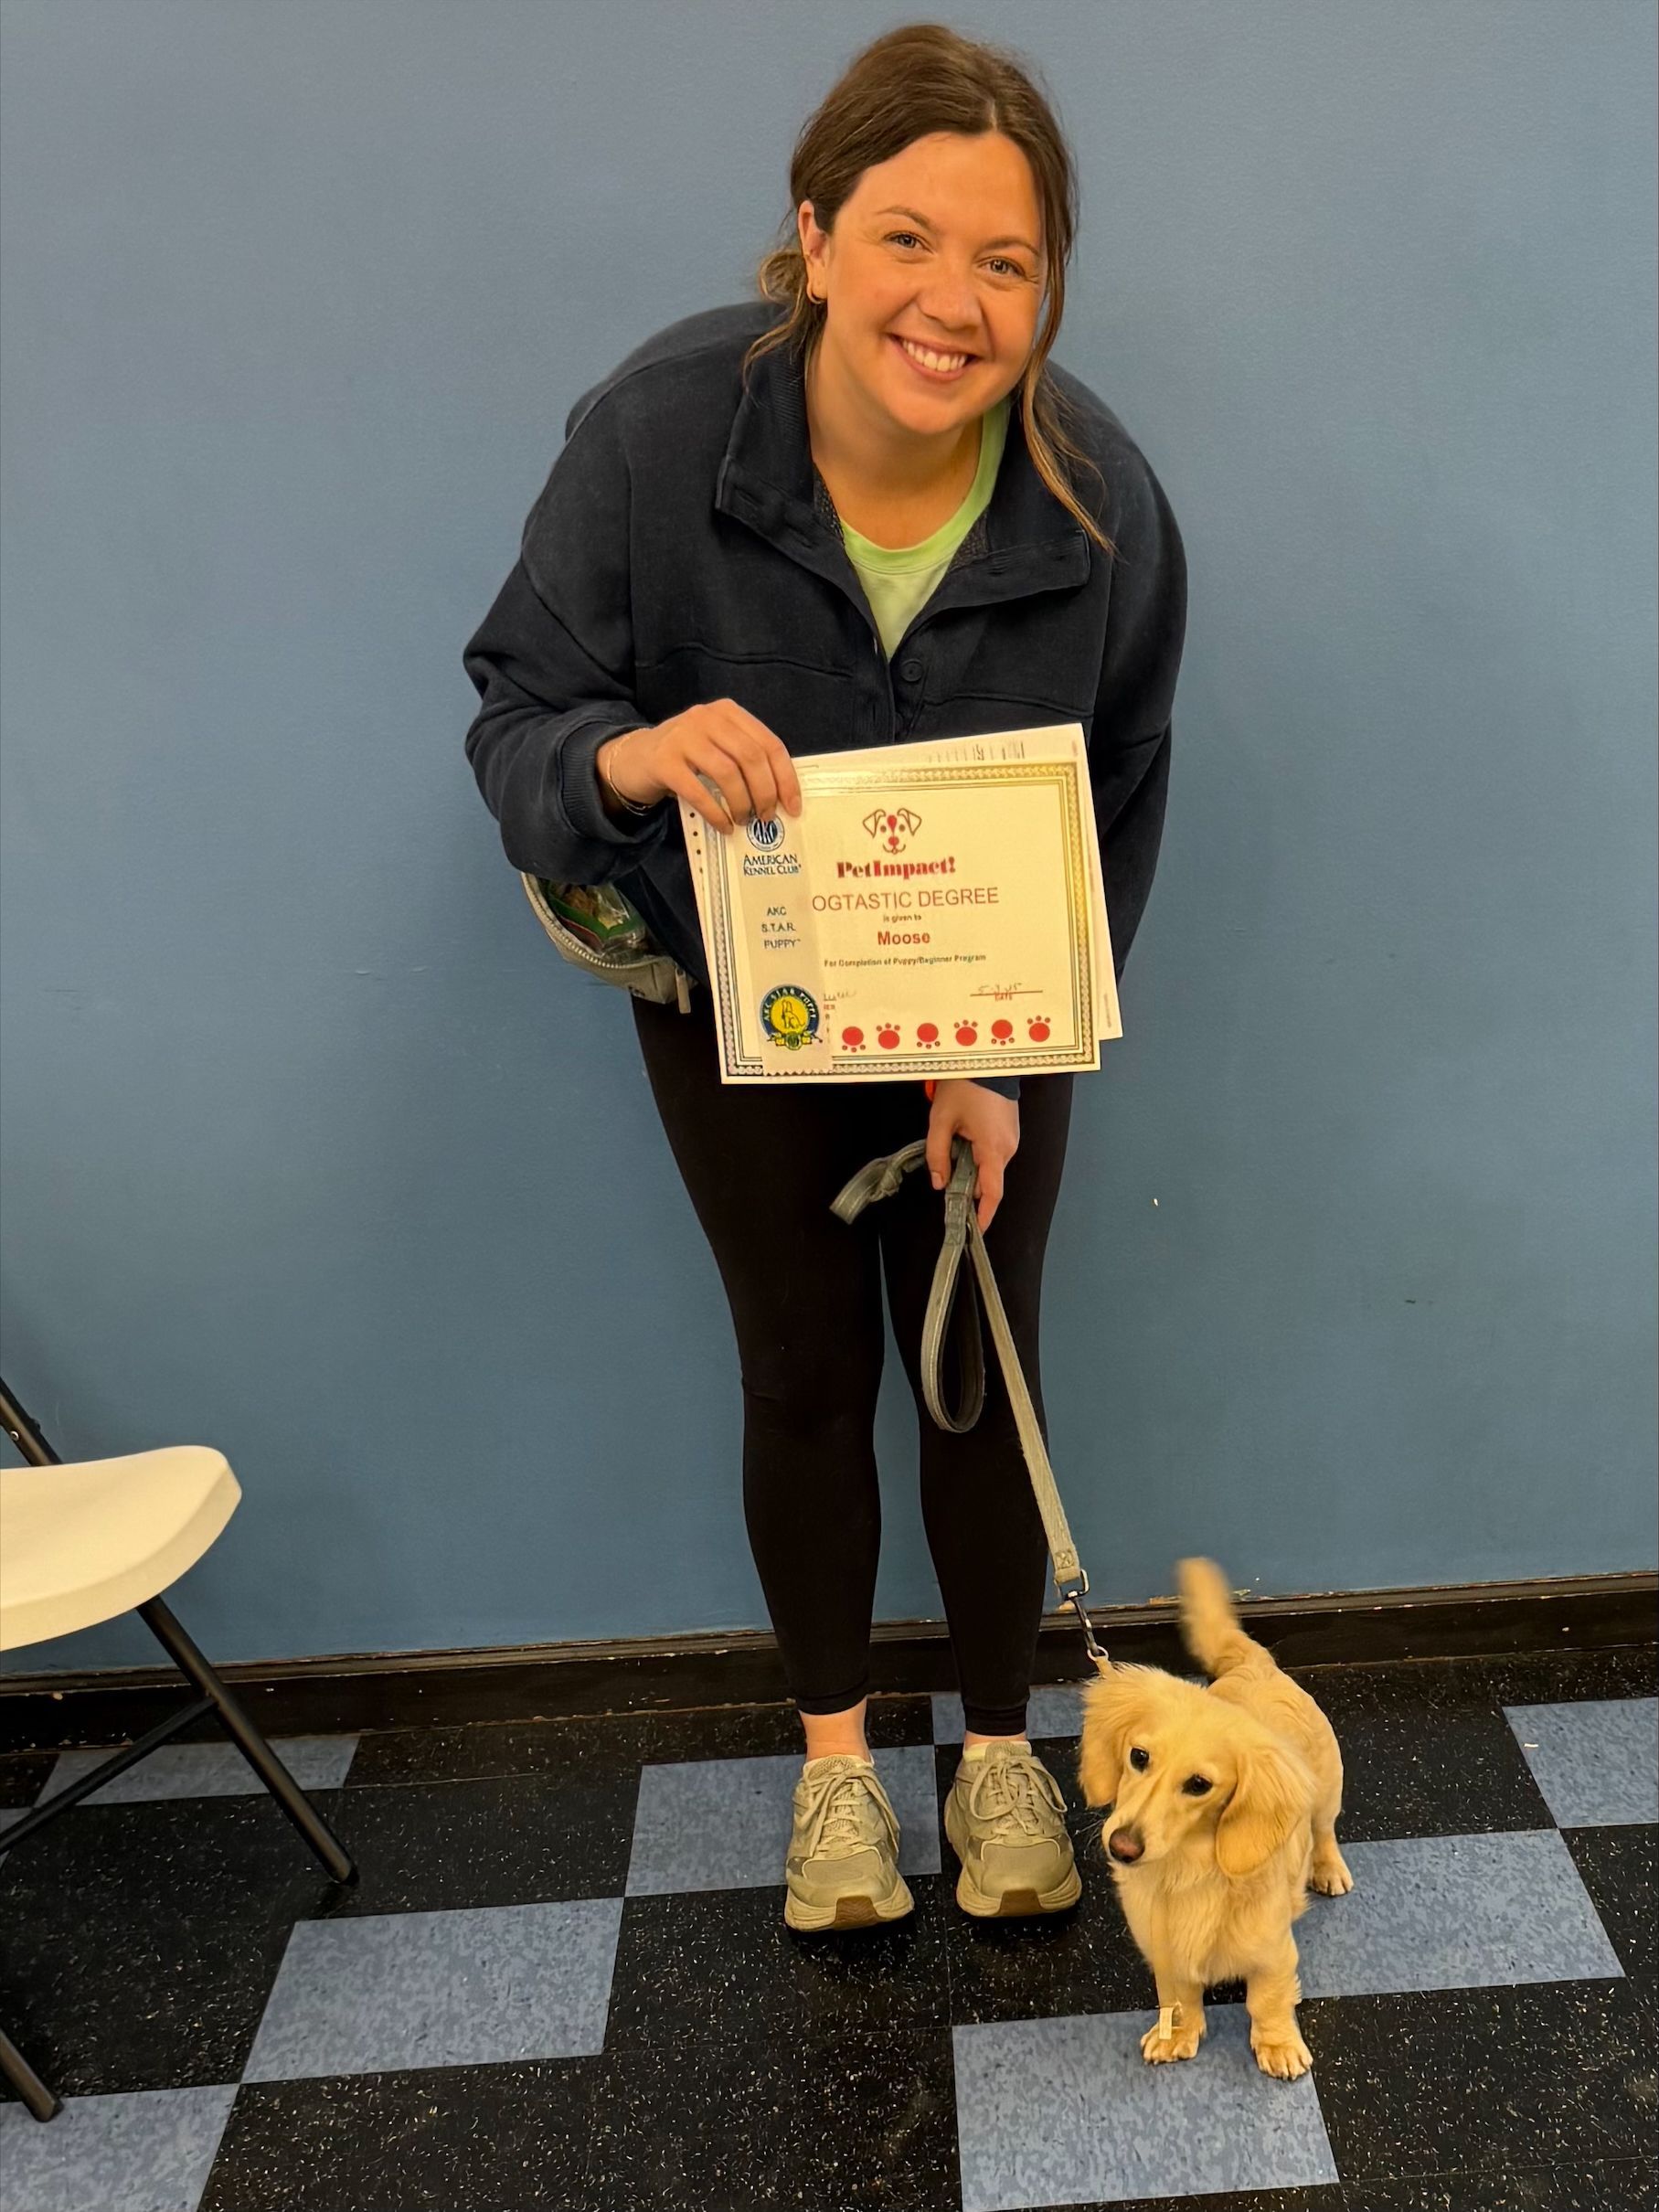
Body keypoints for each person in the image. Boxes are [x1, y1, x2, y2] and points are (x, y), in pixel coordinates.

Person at [462, 23, 1186, 1932]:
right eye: (904, 238)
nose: (951, 303)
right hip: (738, 1016)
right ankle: (836, 1776)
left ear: (1046, 287)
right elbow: (521, 718)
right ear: (812, 233)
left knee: (974, 1375)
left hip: (983, 1030)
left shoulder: (1097, 498)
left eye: (1005, 263)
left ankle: (999, 1753)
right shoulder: (652, 436)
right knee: (799, 1374)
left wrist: (1013, 1049)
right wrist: (623, 763)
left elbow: (1113, 800)